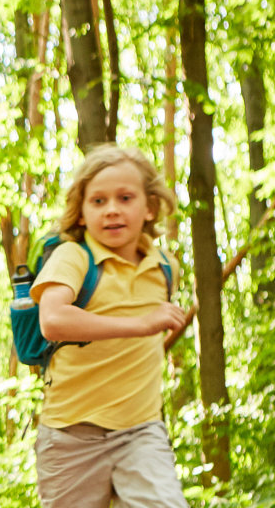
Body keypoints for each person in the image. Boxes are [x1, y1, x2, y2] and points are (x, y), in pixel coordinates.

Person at [30, 145, 188, 506]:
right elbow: (52, 320)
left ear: (149, 207)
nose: (112, 209)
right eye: (98, 201)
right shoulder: (73, 256)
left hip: (141, 433)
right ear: (82, 213)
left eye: (125, 197)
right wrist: (141, 324)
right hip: (70, 437)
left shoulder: (165, 266)